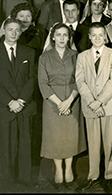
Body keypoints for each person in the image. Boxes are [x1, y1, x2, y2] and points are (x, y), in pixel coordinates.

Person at [0, 18, 38, 186]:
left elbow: (32, 79)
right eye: (10, 29)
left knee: (25, 143)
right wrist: (10, 102)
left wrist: (21, 100)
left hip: (25, 106)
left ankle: (25, 179)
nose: (14, 33)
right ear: (4, 31)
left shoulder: (28, 52)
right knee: (6, 144)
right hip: (5, 106)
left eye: (17, 30)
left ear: (21, 31)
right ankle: (7, 180)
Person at [38, 23, 86, 190]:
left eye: (65, 35)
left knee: (70, 136)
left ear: (69, 37)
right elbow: (43, 83)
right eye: (58, 35)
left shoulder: (76, 56)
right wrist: (59, 103)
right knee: (55, 138)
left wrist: (69, 101)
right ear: (53, 37)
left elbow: (80, 81)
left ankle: (69, 170)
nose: (61, 38)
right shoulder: (44, 57)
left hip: (72, 99)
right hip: (52, 103)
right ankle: (58, 170)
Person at [75, 22, 112, 192]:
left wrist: (99, 101)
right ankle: (93, 176)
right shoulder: (82, 56)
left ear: (105, 36)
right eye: (94, 35)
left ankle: (110, 176)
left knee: (109, 143)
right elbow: (80, 81)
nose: (97, 38)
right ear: (89, 37)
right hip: (91, 107)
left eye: (101, 35)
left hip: (108, 106)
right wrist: (92, 102)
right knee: (93, 144)